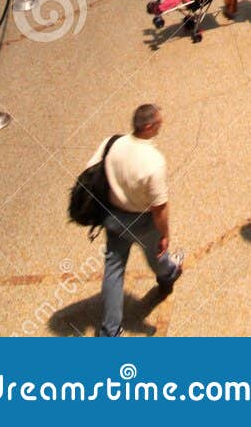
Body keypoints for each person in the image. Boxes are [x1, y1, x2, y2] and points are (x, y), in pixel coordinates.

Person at [89, 103, 184, 337]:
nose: (162, 125)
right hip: (141, 221)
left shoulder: (112, 143)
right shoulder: (154, 162)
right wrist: (165, 235)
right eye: (159, 122)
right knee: (157, 254)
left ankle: (110, 331)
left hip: (113, 215)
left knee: (113, 269)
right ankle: (167, 275)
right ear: (149, 126)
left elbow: (91, 171)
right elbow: (159, 207)